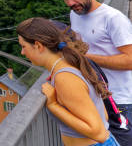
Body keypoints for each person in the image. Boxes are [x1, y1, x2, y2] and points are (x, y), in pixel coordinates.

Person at [56, 0, 132, 145]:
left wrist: (87, 58)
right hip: (95, 97)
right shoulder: (75, 15)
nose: (70, 3)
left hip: (120, 100)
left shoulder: (113, 18)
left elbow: (130, 61)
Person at [17, 17, 118, 146]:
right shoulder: (71, 63)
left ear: (38, 45)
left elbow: (99, 133)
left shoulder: (65, 77)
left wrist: (54, 105)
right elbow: (103, 116)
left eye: (23, 46)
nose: (22, 52)